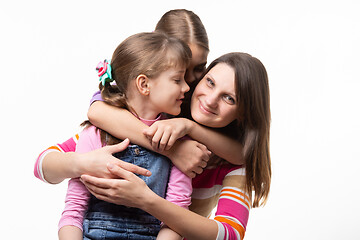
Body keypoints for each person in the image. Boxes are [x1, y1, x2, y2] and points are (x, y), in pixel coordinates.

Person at [81, 52, 272, 240]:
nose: (211, 100)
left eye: (229, 98)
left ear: (243, 114)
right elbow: (53, 158)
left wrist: (146, 200)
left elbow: (230, 234)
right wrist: (173, 149)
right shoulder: (157, 120)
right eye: (210, 82)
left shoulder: (233, 164)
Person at [58, 32, 193, 240]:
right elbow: (74, 210)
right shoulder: (95, 134)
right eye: (177, 79)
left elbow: (176, 219)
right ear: (144, 84)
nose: (186, 87)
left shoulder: (182, 147)